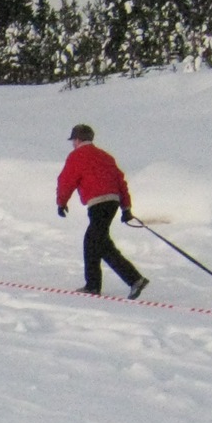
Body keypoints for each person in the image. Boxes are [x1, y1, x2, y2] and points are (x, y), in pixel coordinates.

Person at [55, 123, 148, 298]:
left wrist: (61, 202)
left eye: (73, 140)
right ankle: (125, 280)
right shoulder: (106, 157)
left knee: (92, 242)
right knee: (100, 243)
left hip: (97, 203)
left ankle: (104, 284)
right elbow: (121, 182)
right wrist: (126, 208)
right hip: (112, 202)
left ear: (77, 139)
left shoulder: (77, 156)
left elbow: (66, 180)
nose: (72, 144)